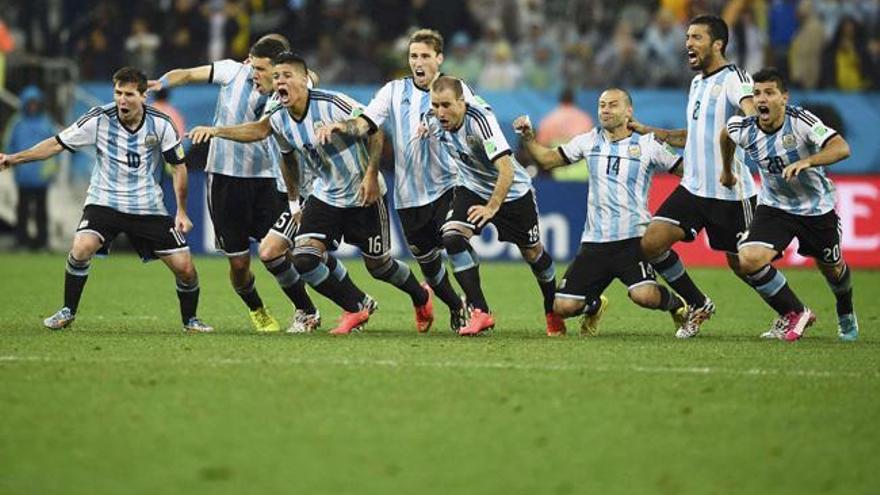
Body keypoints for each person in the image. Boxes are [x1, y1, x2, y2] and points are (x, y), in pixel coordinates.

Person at [189, 52, 434, 335]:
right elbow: (287, 157)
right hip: (325, 194)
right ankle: (355, 308)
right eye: (277, 76)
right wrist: (294, 201)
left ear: (305, 80)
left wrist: (370, 175)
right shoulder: (279, 118)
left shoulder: (332, 103)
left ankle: (420, 296)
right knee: (303, 258)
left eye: (286, 76)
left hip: (363, 193)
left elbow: (375, 131)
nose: (280, 81)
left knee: (379, 266)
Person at [0, 67, 212, 333]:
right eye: (118, 93)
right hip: (105, 201)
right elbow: (56, 144)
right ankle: (67, 310)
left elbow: (179, 167)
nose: (122, 100)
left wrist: (181, 211)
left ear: (144, 96)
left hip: (147, 206)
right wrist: (13, 158)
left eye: (129, 94)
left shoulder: (161, 123)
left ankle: (190, 320)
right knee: (81, 247)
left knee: (185, 268)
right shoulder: (99, 119)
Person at [150, 36, 320, 333]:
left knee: (282, 252)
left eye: (259, 67)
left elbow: (260, 132)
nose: (252, 71)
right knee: (239, 265)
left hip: (268, 180)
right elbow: (189, 74)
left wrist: (215, 131)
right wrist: (162, 82)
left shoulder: (285, 89)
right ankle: (257, 309)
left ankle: (305, 310)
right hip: (225, 181)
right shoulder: (232, 71)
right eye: (251, 65)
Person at [315, 28, 469, 332]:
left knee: (454, 241)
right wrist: (341, 126)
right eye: (414, 56)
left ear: (439, 59)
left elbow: (475, 123)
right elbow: (366, 123)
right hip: (408, 195)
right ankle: (455, 304)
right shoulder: (393, 91)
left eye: (425, 55)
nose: (418, 62)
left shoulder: (456, 90)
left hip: (449, 184)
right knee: (430, 266)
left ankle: (478, 308)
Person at [629, 15, 761, 339]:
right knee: (650, 243)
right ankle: (698, 303)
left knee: (745, 265)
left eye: (696, 37)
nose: (688, 43)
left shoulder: (734, 77)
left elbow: (752, 116)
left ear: (718, 44)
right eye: (687, 37)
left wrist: (751, 123)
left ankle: (793, 311)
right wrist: (652, 132)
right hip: (693, 187)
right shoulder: (697, 82)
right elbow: (695, 134)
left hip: (729, 191)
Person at [515, 89, 688, 336]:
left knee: (645, 296)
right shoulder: (588, 140)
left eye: (613, 105)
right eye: (602, 105)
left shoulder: (648, 144)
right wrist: (529, 138)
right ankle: (595, 305)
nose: (605, 110)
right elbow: (548, 160)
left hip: (633, 240)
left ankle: (676, 304)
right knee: (562, 306)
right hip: (595, 242)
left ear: (629, 111)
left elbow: (686, 172)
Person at [721, 67, 858, 342]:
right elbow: (726, 135)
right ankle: (795, 312)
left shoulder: (801, 120)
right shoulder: (743, 127)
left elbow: (841, 147)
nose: (762, 99)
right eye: (757, 93)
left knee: (832, 268)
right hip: (775, 207)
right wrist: (727, 170)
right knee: (747, 259)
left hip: (816, 209)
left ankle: (846, 312)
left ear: (784, 97)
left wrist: (808, 161)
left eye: (770, 92)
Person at [423, 76, 561, 336]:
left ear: (462, 102)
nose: (440, 112)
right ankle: (481, 312)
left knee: (532, 253)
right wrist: (423, 127)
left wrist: (492, 206)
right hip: (471, 186)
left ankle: (551, 307)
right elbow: (427, 118)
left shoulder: (481, 122)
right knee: (452, 238)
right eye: (435, 105)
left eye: (446, 105)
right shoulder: (431, 118)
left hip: (511, 192)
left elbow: (506, 169)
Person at [4, 86, 58, 250]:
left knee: (41, 212)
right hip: (23, 175)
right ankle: (22, 241)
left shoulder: (46, 122)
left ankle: (42, 242)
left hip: (41, 176)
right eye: (30, 103)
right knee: (22, 211)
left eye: (36, 103)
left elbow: (56, 146)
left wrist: (51, 170)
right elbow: (9, 145)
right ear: (26, 104)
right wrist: (13, 165)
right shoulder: (17, 122)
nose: (33, 106)